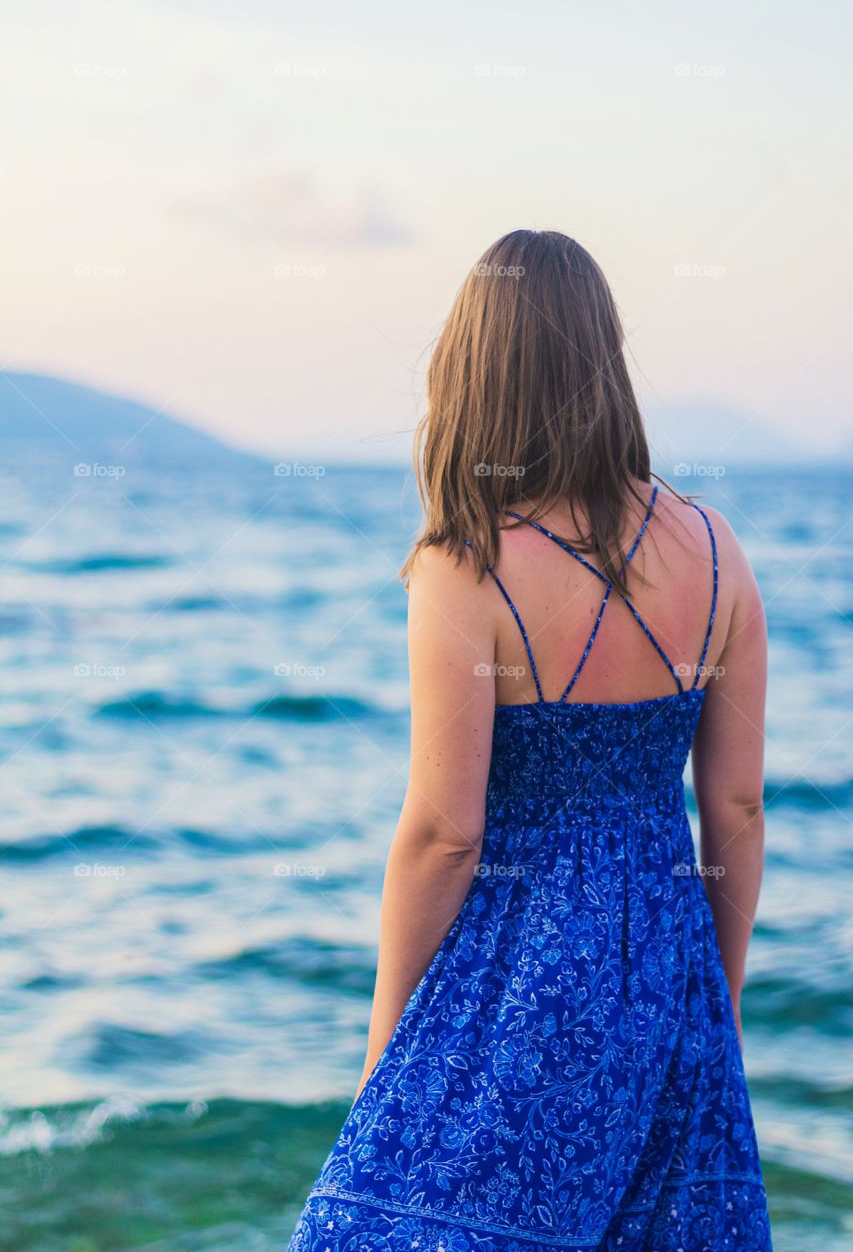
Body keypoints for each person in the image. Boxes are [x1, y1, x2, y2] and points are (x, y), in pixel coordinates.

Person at [288, 229, 772, 1250]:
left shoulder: (465, 561)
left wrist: (391, 1048)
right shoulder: (718, 552)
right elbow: (734, 808)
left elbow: (444, 834)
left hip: (518, 973)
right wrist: (708, 1005)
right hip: (666, 961)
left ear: (476, 369)